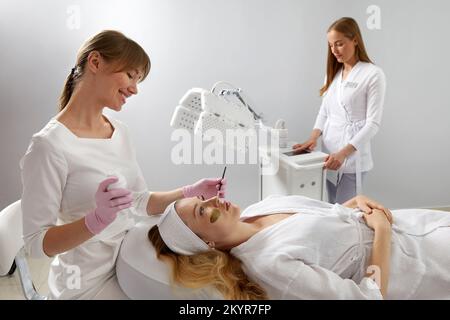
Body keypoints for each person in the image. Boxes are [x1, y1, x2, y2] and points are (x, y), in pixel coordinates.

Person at [19, 30, 226, 300]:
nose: (134, 88)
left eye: (138, 79)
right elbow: (36, 244)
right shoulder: (49, 146)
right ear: (95, 62)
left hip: (129, 258)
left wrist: (191, 192)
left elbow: (139, 201)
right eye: (131, 75)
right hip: (87, 282)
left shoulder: (119, 131)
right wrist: (96, 221)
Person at [148, 194, 450, 300]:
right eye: (203, 212)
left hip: (413, 224)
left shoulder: (261, 207)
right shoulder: (269, 266)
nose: (213, 202)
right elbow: (367, 298)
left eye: (202, 199)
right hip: (416, 263)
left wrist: (353, 203)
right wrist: (381, 231)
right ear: (207, 244)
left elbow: (321, 226)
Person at [292, 17, 386, 204]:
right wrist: (313, 137)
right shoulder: (333, 74)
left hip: (351, 157)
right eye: (330, 45)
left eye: (339, 44)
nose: (334, 50)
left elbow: (373, 124)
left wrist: (343, 153)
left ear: (355, 40)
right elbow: (325, 111)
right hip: (328, 155)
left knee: (344, 213)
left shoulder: (373, 74)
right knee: (330, 208)